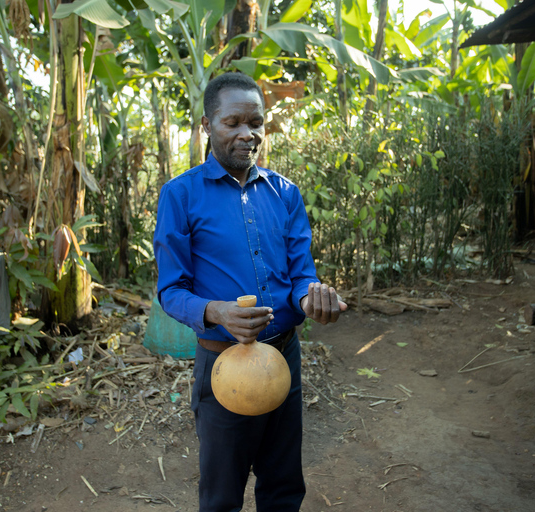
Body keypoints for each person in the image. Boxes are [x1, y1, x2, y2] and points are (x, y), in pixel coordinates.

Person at [153, 72, 347, 512]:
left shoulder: (286, 193)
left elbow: (301, 276)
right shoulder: (179, 196)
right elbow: (171, 290)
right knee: (222, 495)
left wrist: (311, 299)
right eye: (233, 122)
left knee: (283, 486)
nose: (247, 134)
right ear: (207, 125)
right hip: (223, 365)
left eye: (255, 122)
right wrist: (217, 312)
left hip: (283, 360)